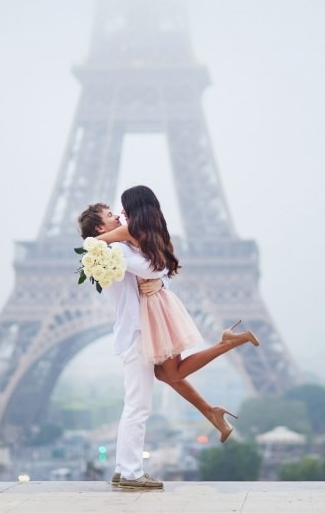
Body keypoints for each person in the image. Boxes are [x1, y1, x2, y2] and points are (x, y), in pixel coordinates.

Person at [94, 185, 259, 437]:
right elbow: (166, 268)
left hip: (156, 312)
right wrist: (160, 278)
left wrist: (99, 242)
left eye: (124, 207)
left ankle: (227, 344)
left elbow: (95, 243)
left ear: (133, 207)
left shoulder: (128, 231)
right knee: (164, 373)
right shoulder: (157, 233)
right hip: (159, 307)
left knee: (171, 372)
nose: (120, 213)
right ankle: (211, 411)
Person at [78, 202, 165, 490]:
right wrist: (129, 234)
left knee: (134, 406)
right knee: (138, 408)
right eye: (109, 216)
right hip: (137, 334)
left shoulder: (111, 249)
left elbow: (156, 272)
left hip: (134, 333)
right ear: (100, 228)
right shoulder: (115, 250)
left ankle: (122, 469)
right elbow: (156, 266)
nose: (117, 216)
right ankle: (130, 473)